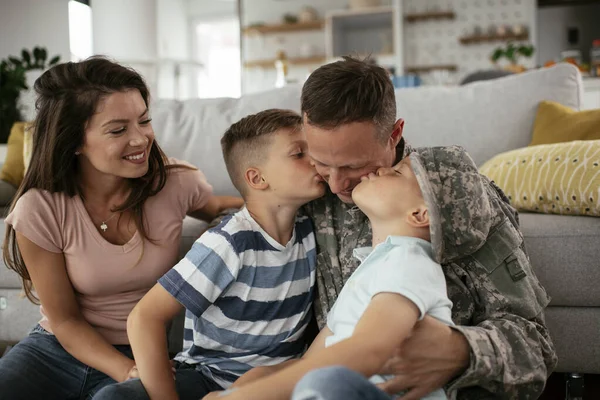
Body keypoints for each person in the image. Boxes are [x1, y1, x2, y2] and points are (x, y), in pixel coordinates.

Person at [299, 56, 556, 399]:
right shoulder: (306, 190)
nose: (335, 185)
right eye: (321, 163)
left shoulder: (452, 197)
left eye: (354, 166)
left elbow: (535, 348)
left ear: (394, 134)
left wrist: (462, 349)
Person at [0, 56, 244, 400]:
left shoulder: (176, 182)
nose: (141, 139)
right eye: (118, 130)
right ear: (74, 142)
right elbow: (66, 322)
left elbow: (219, 206)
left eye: (144, 121)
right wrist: (125, 370)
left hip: (142, 349)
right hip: (54, 351)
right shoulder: (39, 209)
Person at [204, 146, 488, 400]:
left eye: (397, 173)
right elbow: (318, 356)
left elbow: (368, 352)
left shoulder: (410, 262)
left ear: (419, 214)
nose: (382, 169)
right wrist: (258, 380)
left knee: (327, 382)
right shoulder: (373, 265)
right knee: (264, 378)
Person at [92, 109, 326, 400]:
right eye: (298, 154)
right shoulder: (229, 243)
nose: (316, 160)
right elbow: (144, 317)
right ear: (257, 178)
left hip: (279, 382)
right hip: (208, 377)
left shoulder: (311, 228)